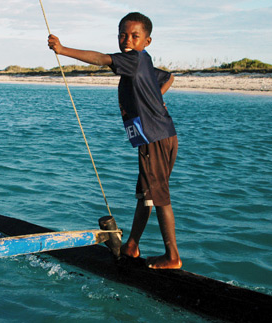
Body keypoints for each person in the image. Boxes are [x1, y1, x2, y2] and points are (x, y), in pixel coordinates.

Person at [48, 12, 182, 269]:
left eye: (135, 36)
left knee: (158, 195)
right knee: (147, 194)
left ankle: (172, 256)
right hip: (160, 135)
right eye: (123, 35)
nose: (127, 40)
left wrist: (63, 50)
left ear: (147, 41)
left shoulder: (133, 59)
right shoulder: (143, 62)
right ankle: (132, 244)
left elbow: (99, 59)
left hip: (155, 137)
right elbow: (167, 77)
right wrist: (156, 98)